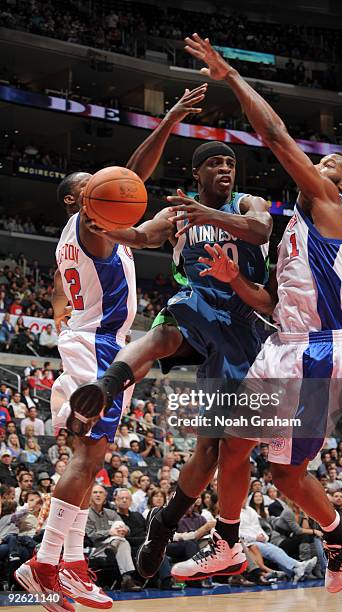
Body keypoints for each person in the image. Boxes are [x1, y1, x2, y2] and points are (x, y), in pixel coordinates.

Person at [175, 33, 342, 593]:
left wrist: (229, 76)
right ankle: (228, 544)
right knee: (234, 444)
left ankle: (338, 531)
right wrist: (236, 281)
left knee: (285, 474)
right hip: (282, 342)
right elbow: (274, 306)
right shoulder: (295, 229)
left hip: (318, 352)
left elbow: (276, 135)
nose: (316, 168)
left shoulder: (332, 208)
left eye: (327, 165)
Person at [70, 85, 273, 586]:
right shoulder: (179, 212)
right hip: (199, 304)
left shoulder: (250, 202)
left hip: (245, 324)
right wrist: (107, 229)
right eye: (216, 163)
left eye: (230, 163)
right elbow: (142, 235)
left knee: (212, 452)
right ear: (198, 174)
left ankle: (163, 524)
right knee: (167, 328)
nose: (226, 169)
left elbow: (260, 231)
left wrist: (210, 217)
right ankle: (109, 383)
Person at [15, 85, 209, 609]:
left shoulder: (92, 232)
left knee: (90, 457)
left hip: (98, 342)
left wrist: (70, 325)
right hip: (95, 345)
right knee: (89, 456)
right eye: (95, 185)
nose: (110, 186)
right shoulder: (91, 222)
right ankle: (44, 562)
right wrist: (168, 119)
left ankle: (71, 564)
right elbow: (133, 176)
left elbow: (61, 289)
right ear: (79, 200)